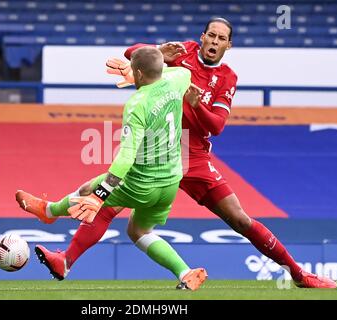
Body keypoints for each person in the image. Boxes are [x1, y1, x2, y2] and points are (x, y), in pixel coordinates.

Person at [19, 18, 337, 289]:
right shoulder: (183, 54)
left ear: (229, 46)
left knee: (239, 218)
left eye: (221, 38)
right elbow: (134, 54)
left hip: (193, 156)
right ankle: (64, 252)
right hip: (157, 151)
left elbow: (217, 126)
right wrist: (159, 50)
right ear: (201, 37)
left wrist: (197, 106)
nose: (214, 41)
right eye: (210, 35)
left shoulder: (226, 78)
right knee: (107, 206)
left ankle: (298, 273)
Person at [17, 47, 207, 290]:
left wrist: (101, 194)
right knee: (139, 231)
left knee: (89, 192)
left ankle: (49, 211)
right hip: (170, 181)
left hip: (141, 182)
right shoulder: (180, 77)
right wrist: (148, 64)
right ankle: (185, 272)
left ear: (137, 73)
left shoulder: (137, 104)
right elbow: (170, 71)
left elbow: (126, 156)